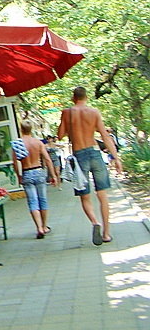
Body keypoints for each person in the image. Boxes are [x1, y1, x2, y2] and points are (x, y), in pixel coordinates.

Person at [57, 86, 123, 246]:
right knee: (102, 195)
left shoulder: (67, 112)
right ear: (86, 97)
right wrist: (116, 158)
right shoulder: (94, 112)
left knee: (85, 196)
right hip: (95, 153)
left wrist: (67, 124)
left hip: (79, 156)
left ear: (73, 98)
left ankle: (95, 222)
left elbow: (60, 136)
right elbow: (105, 136)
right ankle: (106, 234)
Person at [12, 120, 57, 239]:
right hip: (39, 171)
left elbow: (15, 163)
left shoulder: (17, 143)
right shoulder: (38, 143)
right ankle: (45, 226)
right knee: (43, 200)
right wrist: (53, 175)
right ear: (31, 129)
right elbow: (47, 159)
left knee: (33, 202)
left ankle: (39, 228)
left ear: (21, 130)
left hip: (26, 172)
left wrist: (19, 176)